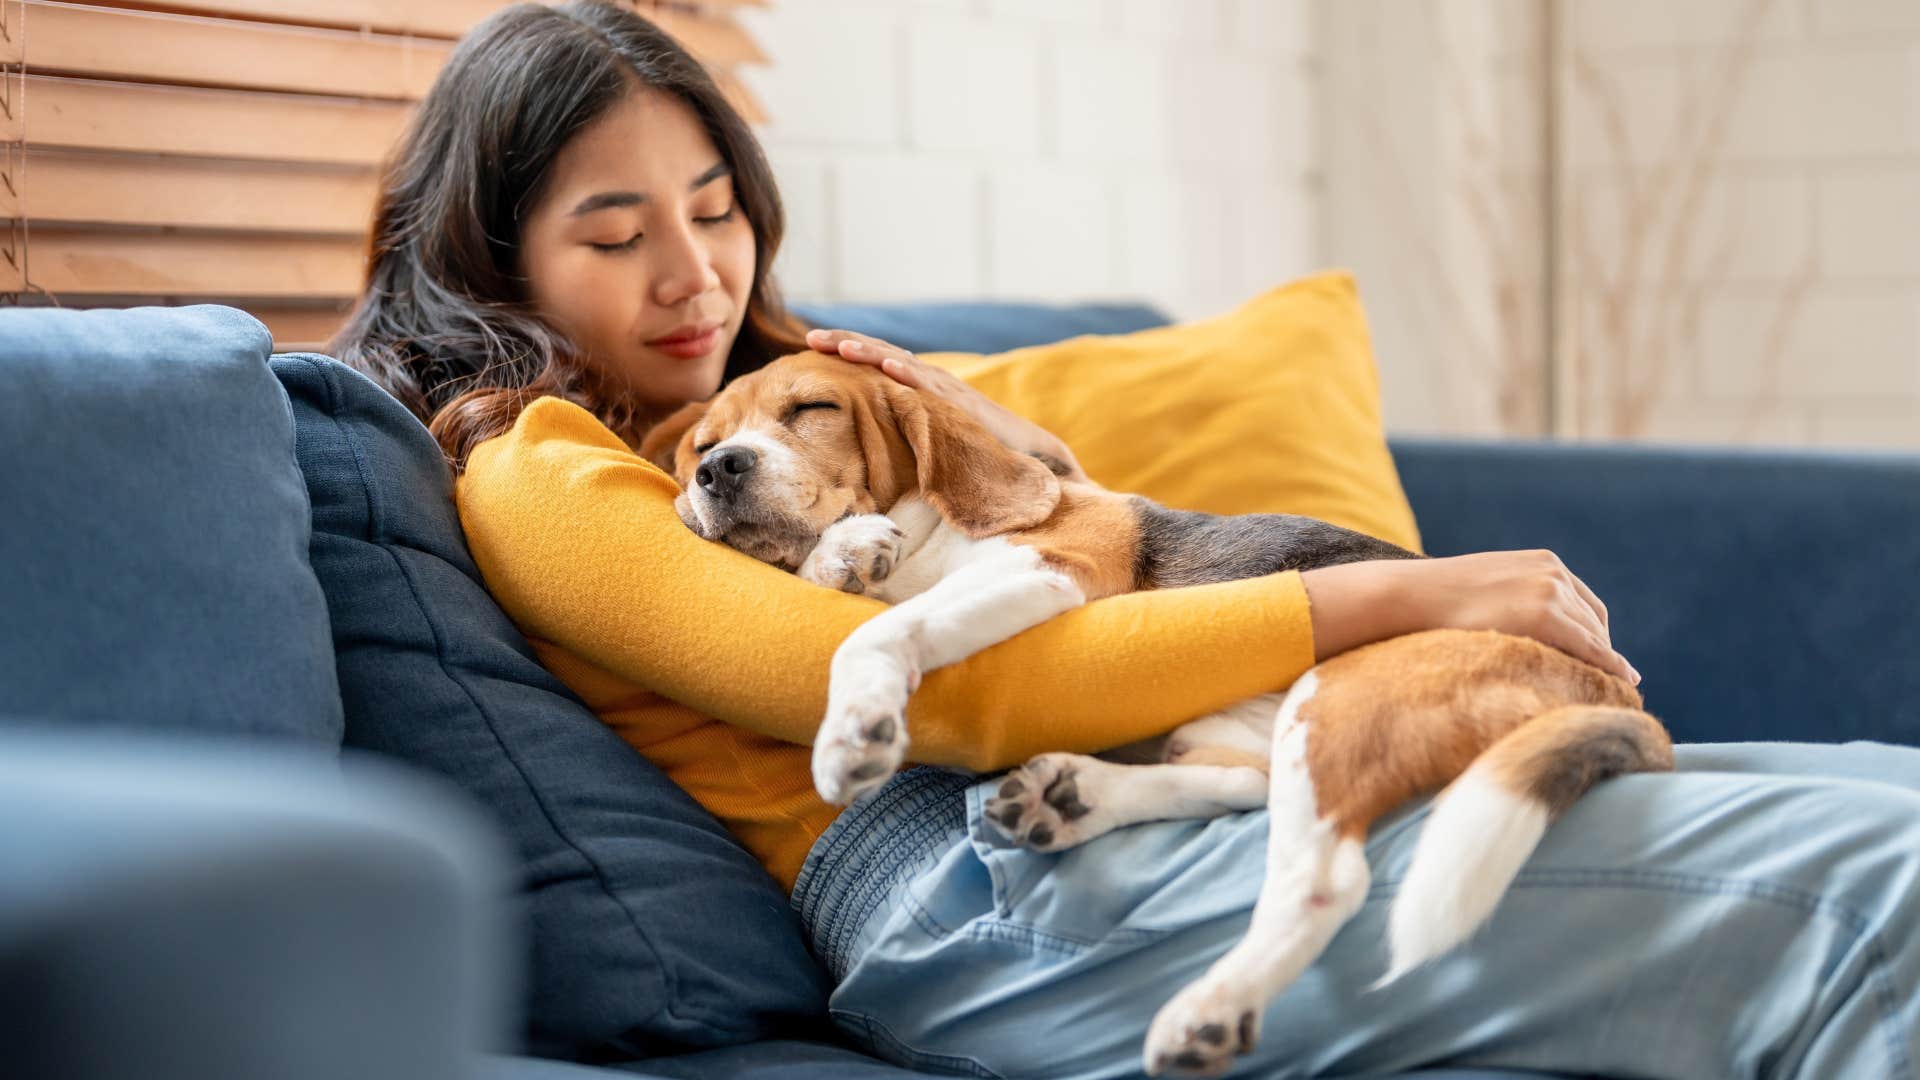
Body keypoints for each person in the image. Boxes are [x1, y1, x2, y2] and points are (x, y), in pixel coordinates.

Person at [332, 4, 1920, 1077]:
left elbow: (1063, 525)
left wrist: (966, 424)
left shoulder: (797, 398)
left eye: (715, 209)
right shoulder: (538, 468)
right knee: (1886, 893)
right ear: (497, 266)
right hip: (969, 879)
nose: (696, 274)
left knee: (1887, 789)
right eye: (615, 235)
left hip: (1140, 798)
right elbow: (937, 702)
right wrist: (1405, 591)